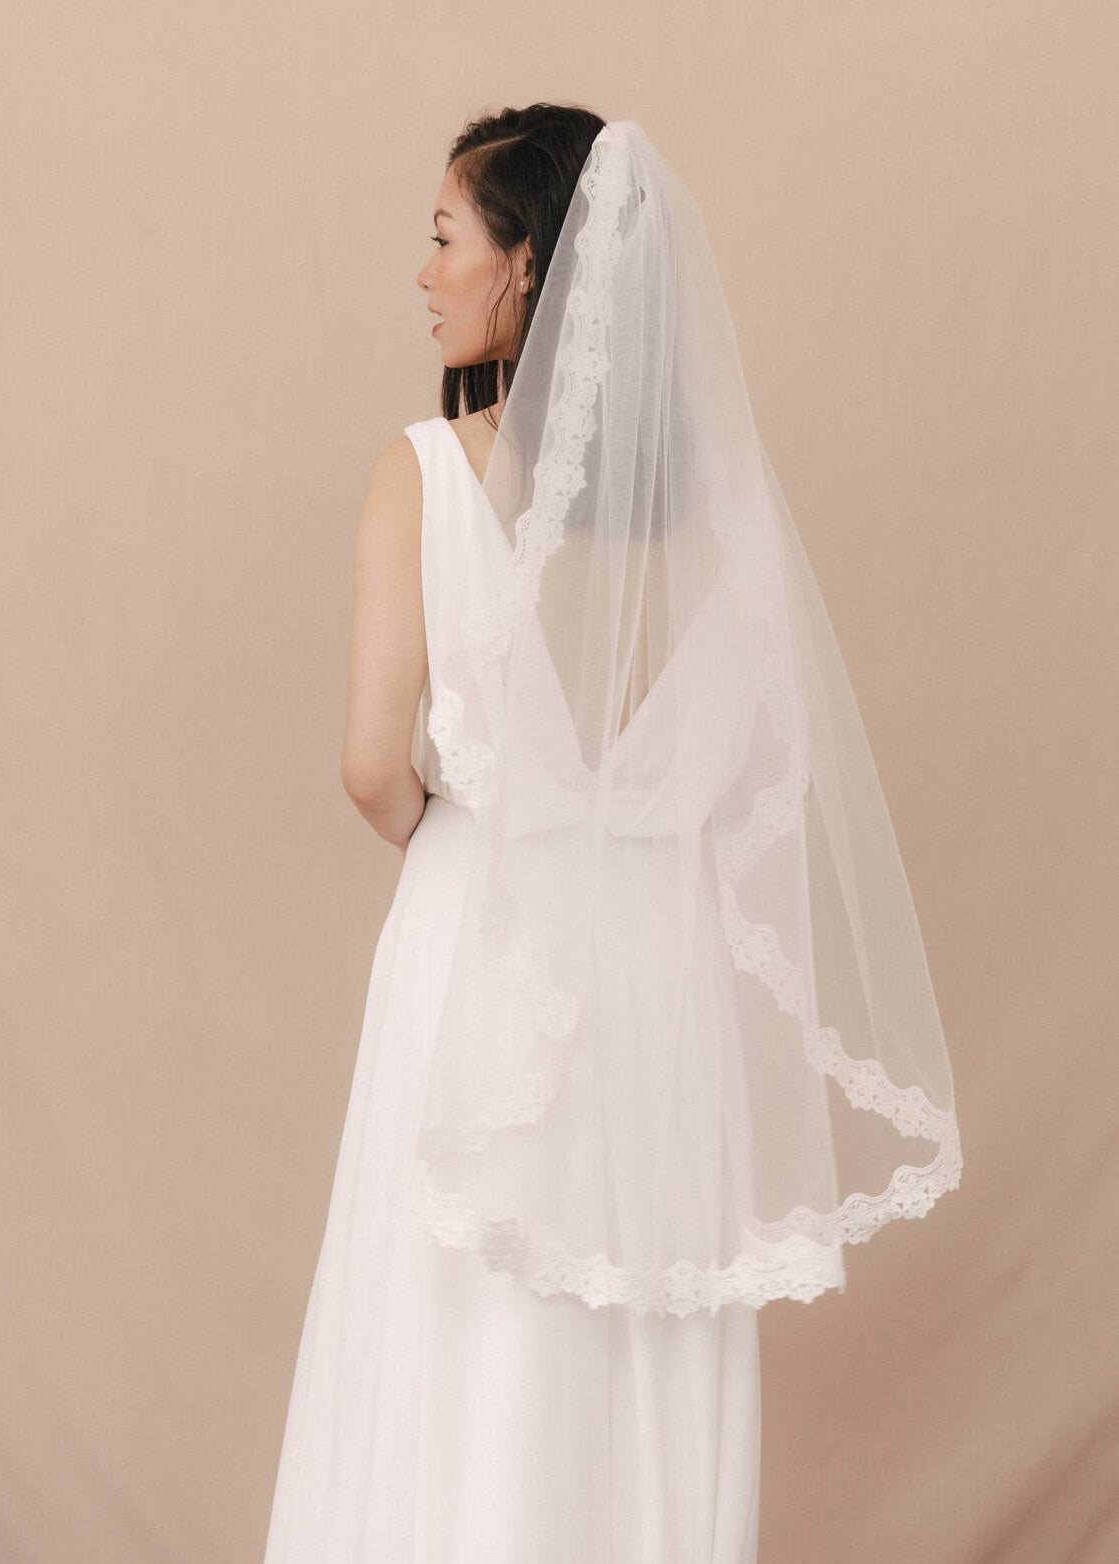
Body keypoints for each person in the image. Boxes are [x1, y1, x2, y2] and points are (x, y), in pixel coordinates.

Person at [263, 104, 963, 1564]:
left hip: (484, 943)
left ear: (528, 269)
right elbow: (761, 751)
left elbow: (366, 767)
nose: (424, 273)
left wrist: (467, 838)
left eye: (444, 237)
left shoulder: (424, 470)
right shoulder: (717, 517)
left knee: (460, 1324)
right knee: (634, 1329)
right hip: (658, 963)